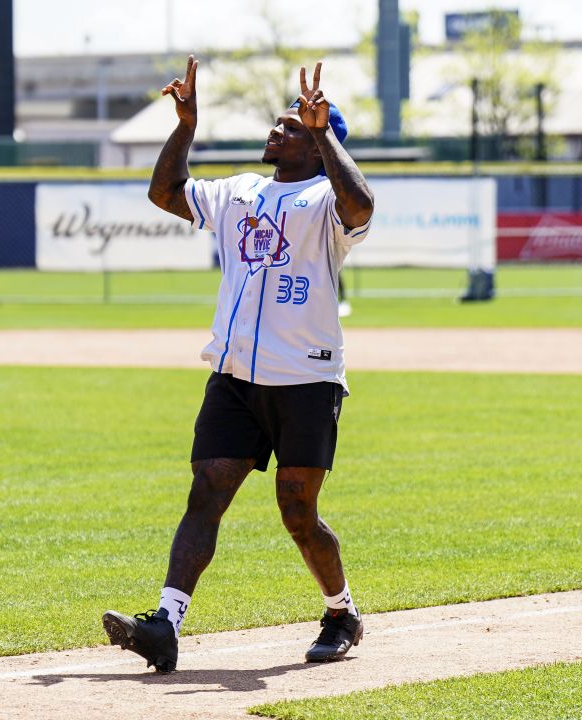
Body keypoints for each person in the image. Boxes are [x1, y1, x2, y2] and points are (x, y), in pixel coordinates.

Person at [102, 55, 374, 674]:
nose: (278, 130)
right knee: (207, 492)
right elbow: (165, 192)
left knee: (297, 512)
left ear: (318, 141)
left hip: (305, 379)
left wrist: (326, 129)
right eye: (280, 123)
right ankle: (165, 625)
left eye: (292, 126)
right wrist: (186, 126)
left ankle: (340, 613)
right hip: (234, 378)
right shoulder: (238, 191)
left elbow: (359, 205)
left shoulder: (327, 198)